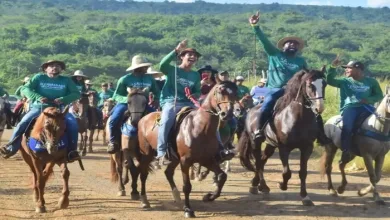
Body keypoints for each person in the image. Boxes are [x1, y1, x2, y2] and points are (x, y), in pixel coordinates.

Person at [249, 11, 331, 145]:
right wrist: (255, 26)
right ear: (284, 46)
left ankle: (320, 135)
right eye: (289, 43)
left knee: (314, 109)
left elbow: (307, 76)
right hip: (276, 89)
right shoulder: (275, 54)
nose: (292, 45)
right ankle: (259, 129)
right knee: (268, 103)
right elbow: (264, 41)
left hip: (295, 91)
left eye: (295, 44)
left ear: (298, 48)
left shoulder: (301, 61)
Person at [156, 39, 234, 166]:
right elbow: (162, 65)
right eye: (189, 55)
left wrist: (194, 95)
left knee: (211, 119)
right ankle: (161, 152)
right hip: (172, 102)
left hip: (189, 103)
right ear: (182, 57)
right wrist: (176, 49)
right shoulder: (172, 70)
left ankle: (221, 149)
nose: (193, 57)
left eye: (195, 56)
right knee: (166, 121)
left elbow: (197, 91)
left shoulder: (195, 75)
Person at [0, 60, 81, 161]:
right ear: (45, 69)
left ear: (61, 69)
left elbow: (76, 94)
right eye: (51, 66)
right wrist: (37, 97)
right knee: (22, 123)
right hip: (40, 108)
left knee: (73, 124)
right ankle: (11, 148)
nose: (54, 67)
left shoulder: (66, 80)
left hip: (59, 110)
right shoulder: (39, 77)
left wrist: (63, 99)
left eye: (57, 66)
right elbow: (25, 89)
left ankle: (72, 151)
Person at [326, 56, 383, 162]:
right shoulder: (344, 82)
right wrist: (333, 67)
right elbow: (329, 80)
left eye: (349, 68)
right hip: (350, 108)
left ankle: (382, 146)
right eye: (345, 68)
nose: (346, 70)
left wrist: (368, 99)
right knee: (347, 127)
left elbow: (379, 95)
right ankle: (346, 151)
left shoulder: (371, 82)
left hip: (368, 108)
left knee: (382, 123)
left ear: (358, 69)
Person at [107, 55, 160, 154]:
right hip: (127, 104)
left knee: (159, 120)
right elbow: (116, 95)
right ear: (138, 68)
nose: (147, 68)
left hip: (144, 105)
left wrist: (156, 99)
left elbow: (157, 92)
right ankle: (113, 141)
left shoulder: (150, 79)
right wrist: (128, 99)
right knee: (114, 119)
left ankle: (158, 144)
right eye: (145, 67)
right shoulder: (125, 79)